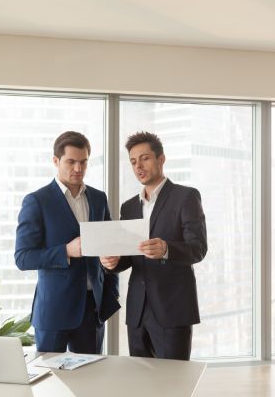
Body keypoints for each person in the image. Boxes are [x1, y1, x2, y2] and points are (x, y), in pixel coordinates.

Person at [100, 131, 207, 360]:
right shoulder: (129, 207)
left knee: (173, 383)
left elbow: (198, 248)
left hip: (172, 309)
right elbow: (129, 256)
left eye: (145, 158)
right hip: (137, 311)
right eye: (133, 161)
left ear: (161, 159)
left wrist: (167, 249)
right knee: (140, 382)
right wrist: (113, 262)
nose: (139, 165)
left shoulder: (185, 197)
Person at [15, 131, 120, 353]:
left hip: (92, 310)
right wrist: (66, 251)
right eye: (71, 162)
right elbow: (23, 257)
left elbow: (110, 246)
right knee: (49, 381)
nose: (78, 169)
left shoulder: (99, 198)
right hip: (54, 311)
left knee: (89, 382)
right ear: (56, 161)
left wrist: (112, 290)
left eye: (83, 162)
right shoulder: (37, 201)